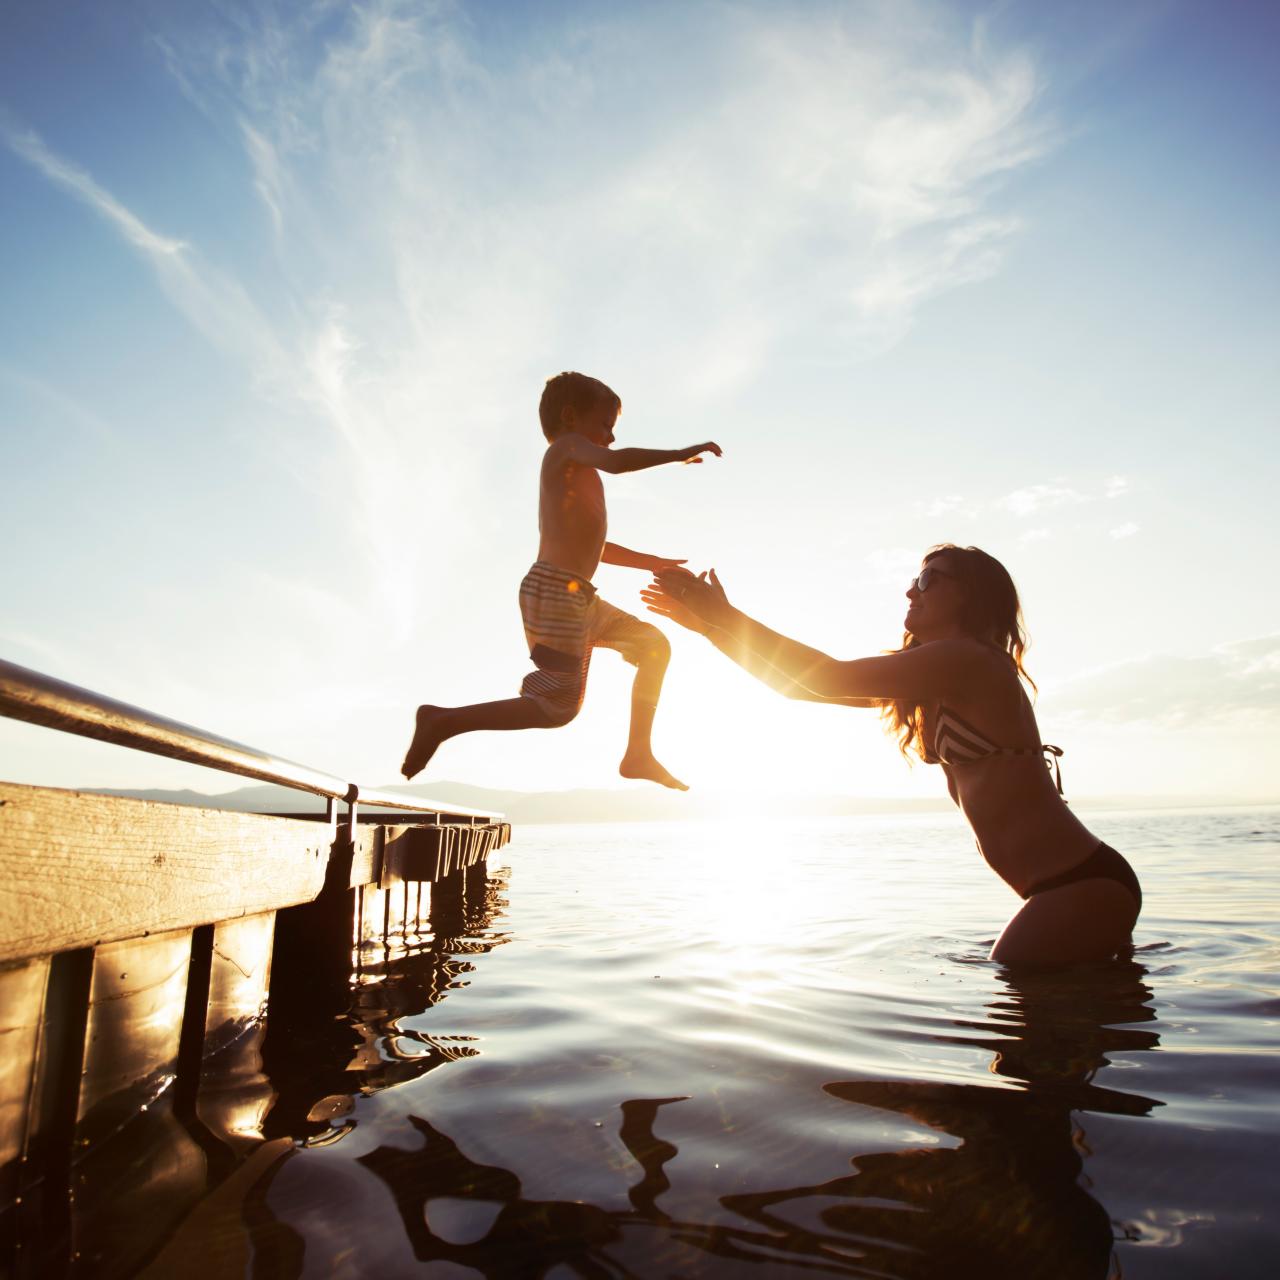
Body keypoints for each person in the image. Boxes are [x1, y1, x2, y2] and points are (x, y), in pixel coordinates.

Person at [642, 545, 1141, 965]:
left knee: (1028, 1016)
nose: (911, 590)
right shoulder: (938, 668)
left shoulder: (968, 660)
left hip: (1077, 886)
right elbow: (800, 690)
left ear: (972, 595)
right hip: (1069, 887)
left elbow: (824, 675)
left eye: (928, 579)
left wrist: (722, 615)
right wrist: (710, 629)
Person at [401, 371, 720, 790]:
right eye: (605, 425)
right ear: (570, 418)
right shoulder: (565, 449)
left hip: (578, 598)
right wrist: (678, 453)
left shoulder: (578, 475)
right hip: (554, 590)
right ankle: (443, 721)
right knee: (558, 708)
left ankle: (638, 753)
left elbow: (597, 545)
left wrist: (652, 563)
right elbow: (620, 462)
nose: (609, 437)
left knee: (654, 646)